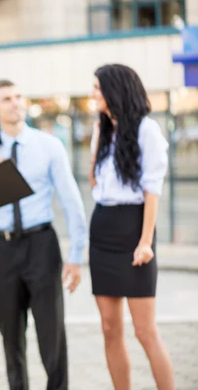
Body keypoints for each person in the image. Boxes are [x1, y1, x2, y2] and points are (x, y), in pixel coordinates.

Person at [0, 79, 88, 390]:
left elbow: (71, 201)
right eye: (6, 99)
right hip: (3, 249)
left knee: (52, 333)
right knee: (10, 334)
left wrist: (76, 256)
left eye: (19, 96)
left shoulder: (48, 146)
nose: (15, 103)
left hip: (41, 245)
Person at [89, 64, 174, 390]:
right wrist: (100, 136)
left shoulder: (147, 130)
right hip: (103, 227)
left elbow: (153, 189)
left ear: (116, 90)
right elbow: (94, 180)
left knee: (144, 330)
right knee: (110, 328)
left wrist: (145, 241)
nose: (93, 94)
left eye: (98, 88)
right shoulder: (102, 129)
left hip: (133, 228)